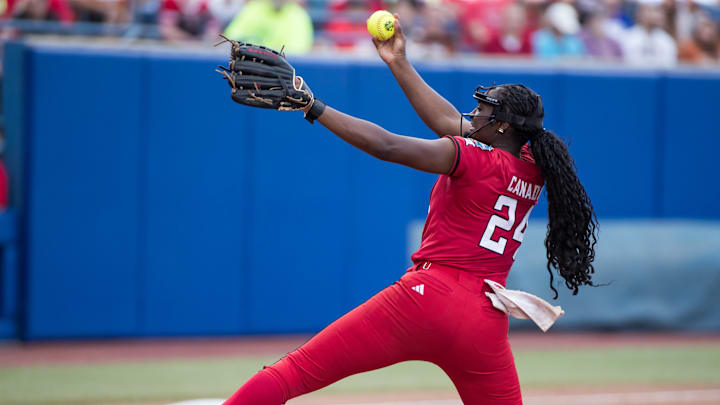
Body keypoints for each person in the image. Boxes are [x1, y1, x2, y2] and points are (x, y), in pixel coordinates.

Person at [222, 15, 598, 405]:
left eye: (485, 108)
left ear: (503, 126)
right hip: (484, 318)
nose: (474, 112)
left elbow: (388, 146)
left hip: (427, 297)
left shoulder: (474, 156)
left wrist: (313, 105)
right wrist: (398, 61)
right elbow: (448, 121)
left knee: (294, 373)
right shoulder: (534, 167)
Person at [223, 0, 313, 54]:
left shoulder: (299, 15)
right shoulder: (253, 9)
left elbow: (298, 51)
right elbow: (231, 39)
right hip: (248, 67)